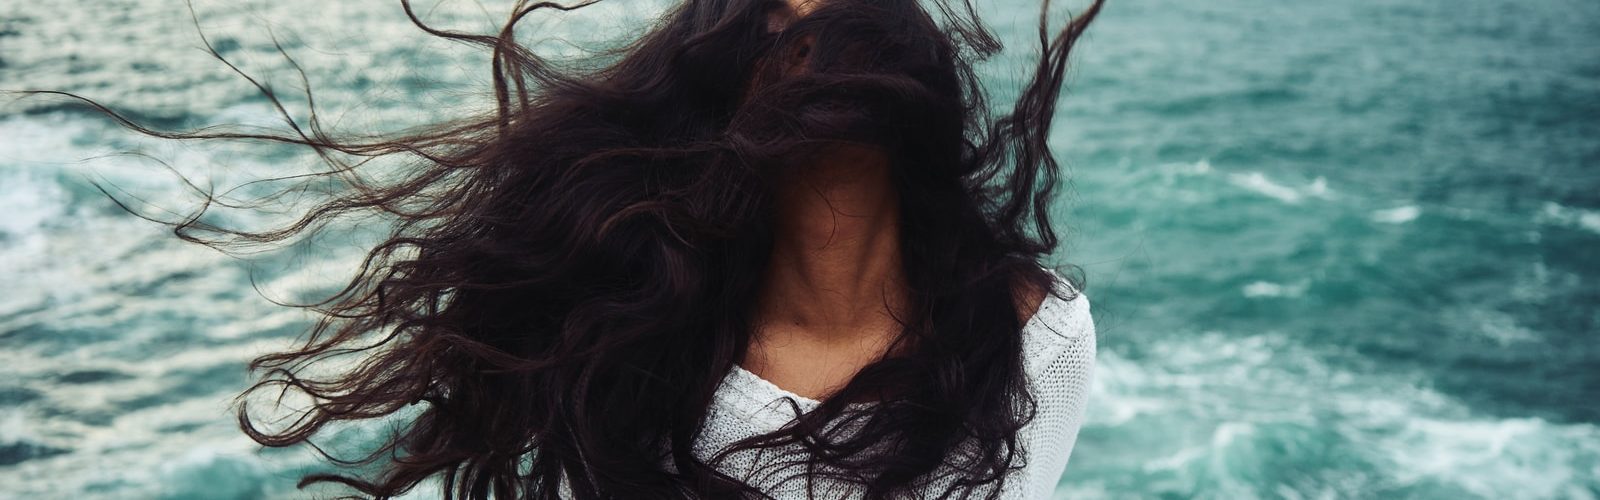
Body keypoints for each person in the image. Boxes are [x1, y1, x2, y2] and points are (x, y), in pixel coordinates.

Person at [38, 0, 1103, 497]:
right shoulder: (653, 362)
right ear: (726, 80)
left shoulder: (1037, 334)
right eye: (781, 15)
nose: (816, 25)